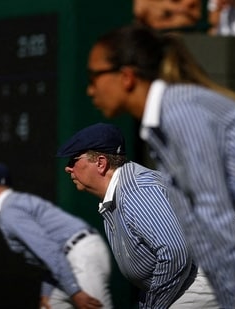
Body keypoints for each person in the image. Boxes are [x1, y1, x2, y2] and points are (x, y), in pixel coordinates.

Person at [85, 23, 235, 308]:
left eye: (94, 76)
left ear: (126, 77)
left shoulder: (180, 111)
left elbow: (214, 216)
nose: (89, 89)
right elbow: (199, 226)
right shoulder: (165, 121)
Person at [56, 122, 215, 308]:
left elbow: (175, 252)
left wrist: (153, 305)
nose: (68, 168)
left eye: (73, 160)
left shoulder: (136, 190)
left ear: (100, 163)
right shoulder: (120, 192)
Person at [0, 162, 113, 309]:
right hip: (71, 257)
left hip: (80, 256)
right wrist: (48, 290)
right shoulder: (10, 206)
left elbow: (48, 249)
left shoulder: (9, 210)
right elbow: (47, 253)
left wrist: (75, 291)